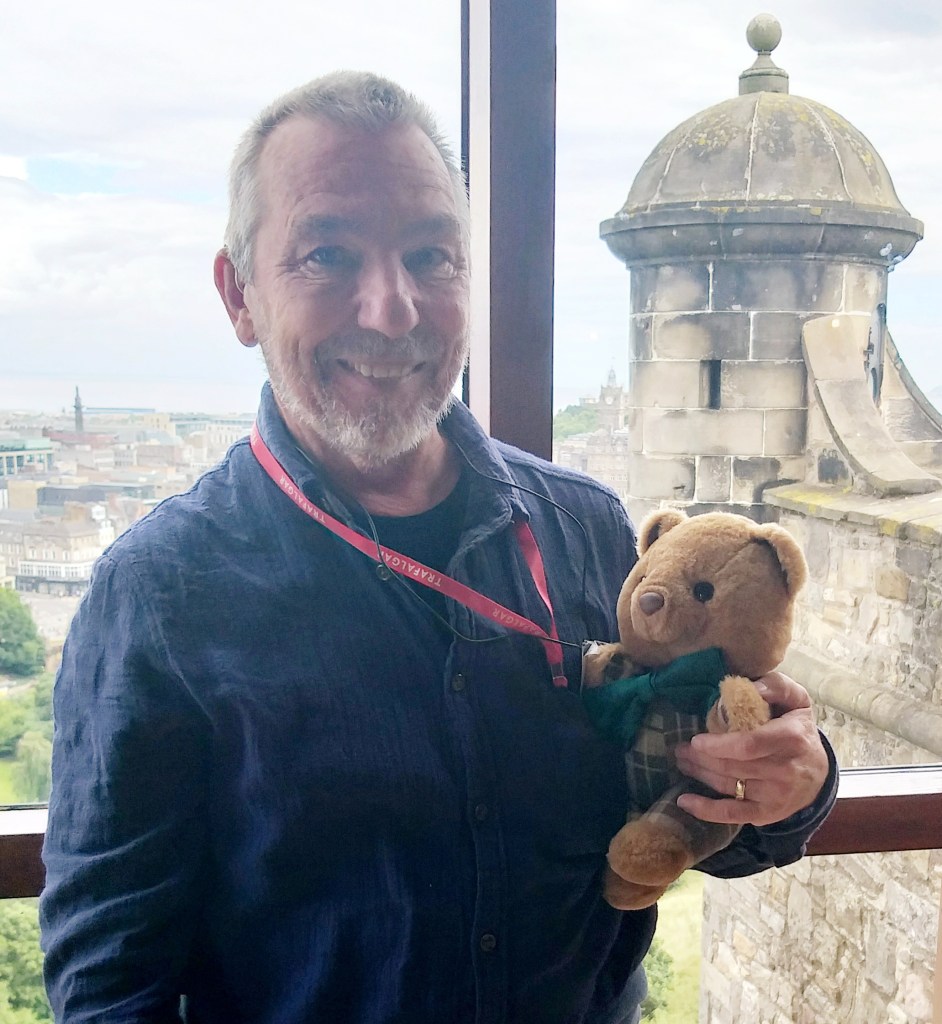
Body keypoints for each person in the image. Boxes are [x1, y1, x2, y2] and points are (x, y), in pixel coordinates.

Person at [40, 71, 837, 1024]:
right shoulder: (160, 591)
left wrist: (790, 783)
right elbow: (107, 984)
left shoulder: (583, 527)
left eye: (431, 255)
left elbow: (686, 804)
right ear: (239, 294)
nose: (392, 309)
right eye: (326, 253)